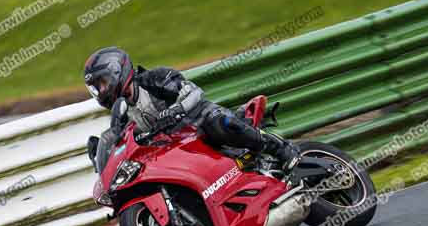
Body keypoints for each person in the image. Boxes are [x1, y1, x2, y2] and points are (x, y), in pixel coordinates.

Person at [84, 47, 299, 173]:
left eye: (102, 83)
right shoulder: (120, 111)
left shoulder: (153, 79)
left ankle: (280, 148)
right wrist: (104, 151)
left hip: (199, 121)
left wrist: (176, 109)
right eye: (97, 87)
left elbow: (194, 92)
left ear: (116, 71)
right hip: (175, 147)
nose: (101, 90)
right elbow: (121, 140)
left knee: (219, 125)